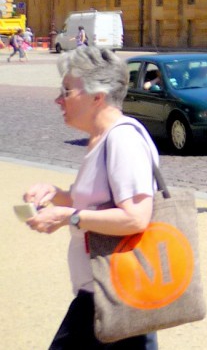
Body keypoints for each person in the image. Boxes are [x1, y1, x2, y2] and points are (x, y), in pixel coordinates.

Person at [23, 45, 161, 349]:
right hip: (102, 292)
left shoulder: (122, 139)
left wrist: (69, 217)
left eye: (68, 91)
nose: (59, 99)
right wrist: (57, 195)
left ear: (98, 97)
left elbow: (136, 217)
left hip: (114, 294)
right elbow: (96, 200)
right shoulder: (100, 139)